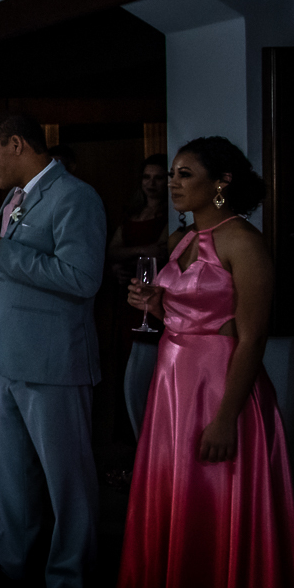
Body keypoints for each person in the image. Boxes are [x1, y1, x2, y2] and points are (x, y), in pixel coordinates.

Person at [110, 137, 294, 588]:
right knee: (176, 502)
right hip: (174, 385)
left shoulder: (243, 240)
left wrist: (226, 417)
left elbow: (251, 336)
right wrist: (156, 304)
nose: (172, 183)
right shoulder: (185, 238)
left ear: (220, 182)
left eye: (185, 174)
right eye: (171, 173)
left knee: (218, 508)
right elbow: (189, 304)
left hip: (219, 388)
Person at [0, 111, 106, 588]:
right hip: (3, 354)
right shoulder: (15, 196)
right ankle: (15, 566)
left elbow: (82, 278)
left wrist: (5, 253)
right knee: (12, 473)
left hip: (51, 361)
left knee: (69, 483)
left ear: (17, 144)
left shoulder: (74, 198)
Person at [106, 155, 168, 439]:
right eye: (147, 177)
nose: (152, 184)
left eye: (158, 177)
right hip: (127, 292)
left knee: (145, 368)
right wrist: (129, 258)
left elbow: (160, 252)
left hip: (153, 296)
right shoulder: (132, 212)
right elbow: (113, 251)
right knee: (124, 356)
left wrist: (129, 254)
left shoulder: (170, 215)